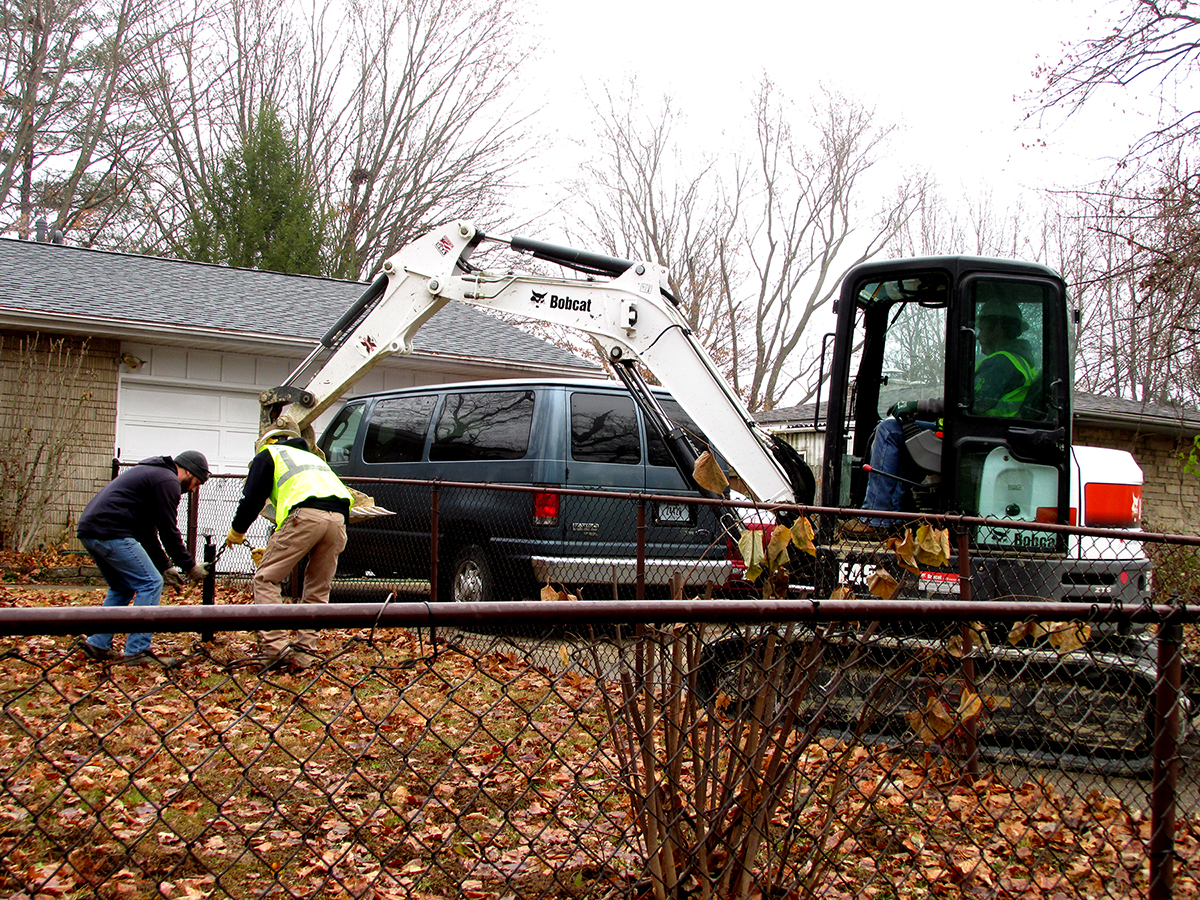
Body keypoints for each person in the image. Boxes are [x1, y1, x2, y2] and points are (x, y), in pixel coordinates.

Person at [845, 296, 1038, 535]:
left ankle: (877, 519)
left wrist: (918, 405)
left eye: (983, 328)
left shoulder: (1002, 364)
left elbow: (965, 404)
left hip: (969, 442)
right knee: (902, 432)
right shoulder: (1018, 361)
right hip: (977, 435)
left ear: (998, 327)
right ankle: (896, 515)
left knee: (889, 430)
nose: (978, 335)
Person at [226, 424, 353, 673]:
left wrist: (237, 531)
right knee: (318, 589)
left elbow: (252, 499)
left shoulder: (269, 454)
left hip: (304, 518)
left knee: (266, 578)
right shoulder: (312, 458)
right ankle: (305, 655)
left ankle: (276, 650)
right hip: (338, 521)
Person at [78, 451, 211, 666]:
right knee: (150, 583)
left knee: (122, 587)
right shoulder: (167, 481)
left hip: (91, 531)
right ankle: (138, 652)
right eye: (196, 482)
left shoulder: (153, 474)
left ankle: (98, 644)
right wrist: (190, 566)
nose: (193, 489)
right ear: (188, 471)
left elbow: (147, 531)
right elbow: (169, 531)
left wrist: (165, 566)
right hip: (111, 532)